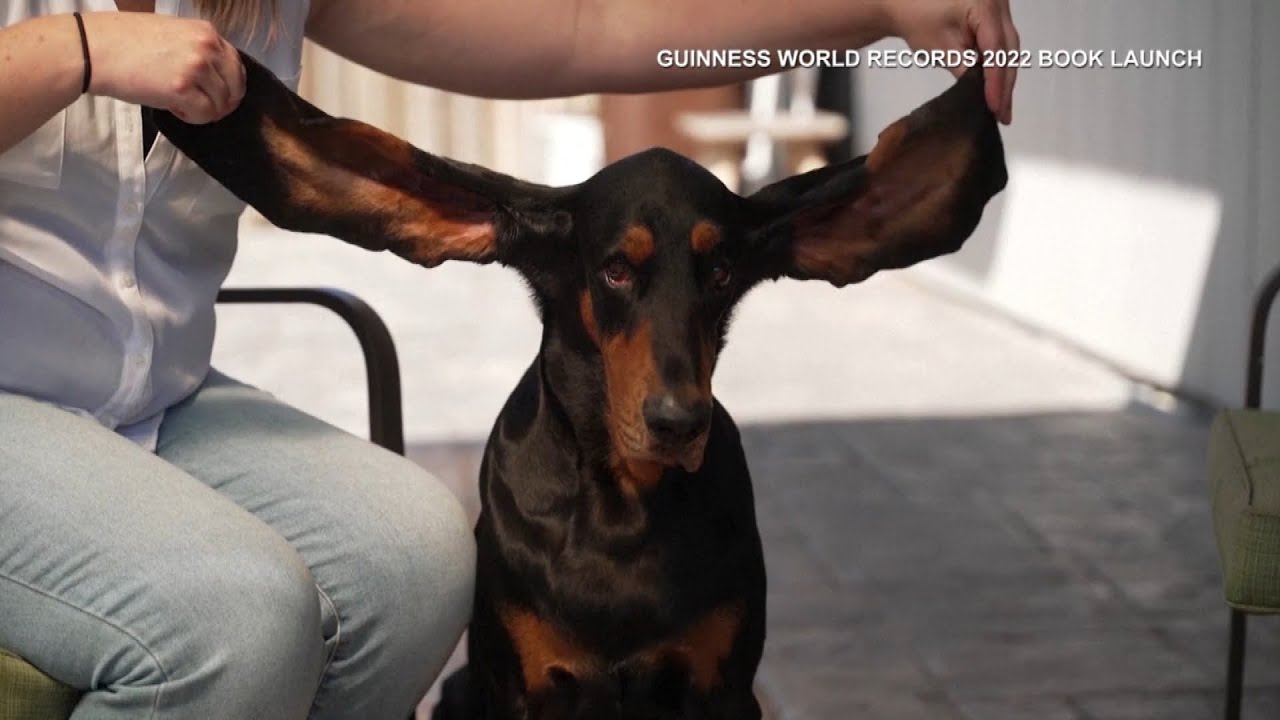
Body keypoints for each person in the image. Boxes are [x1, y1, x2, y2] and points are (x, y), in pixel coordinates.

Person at [0, 1, 1019, 718]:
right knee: (235, 614)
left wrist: (878, 4)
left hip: (155, 398)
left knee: (415, 557)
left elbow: (591, 26)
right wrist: (76, 53)